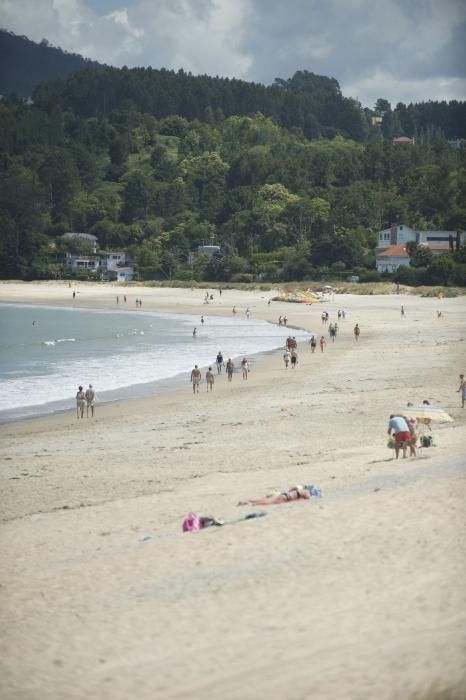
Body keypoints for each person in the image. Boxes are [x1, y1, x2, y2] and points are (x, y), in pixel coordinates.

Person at [238, 484, 321, 506]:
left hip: (284, 494)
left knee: (265, 500)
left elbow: (292, 488)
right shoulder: (306, 492)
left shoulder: (301, 489)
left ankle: (248, 501)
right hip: (285, 498)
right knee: (268, 503)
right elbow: (309, 499)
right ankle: (250, 503)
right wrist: (318, 498)